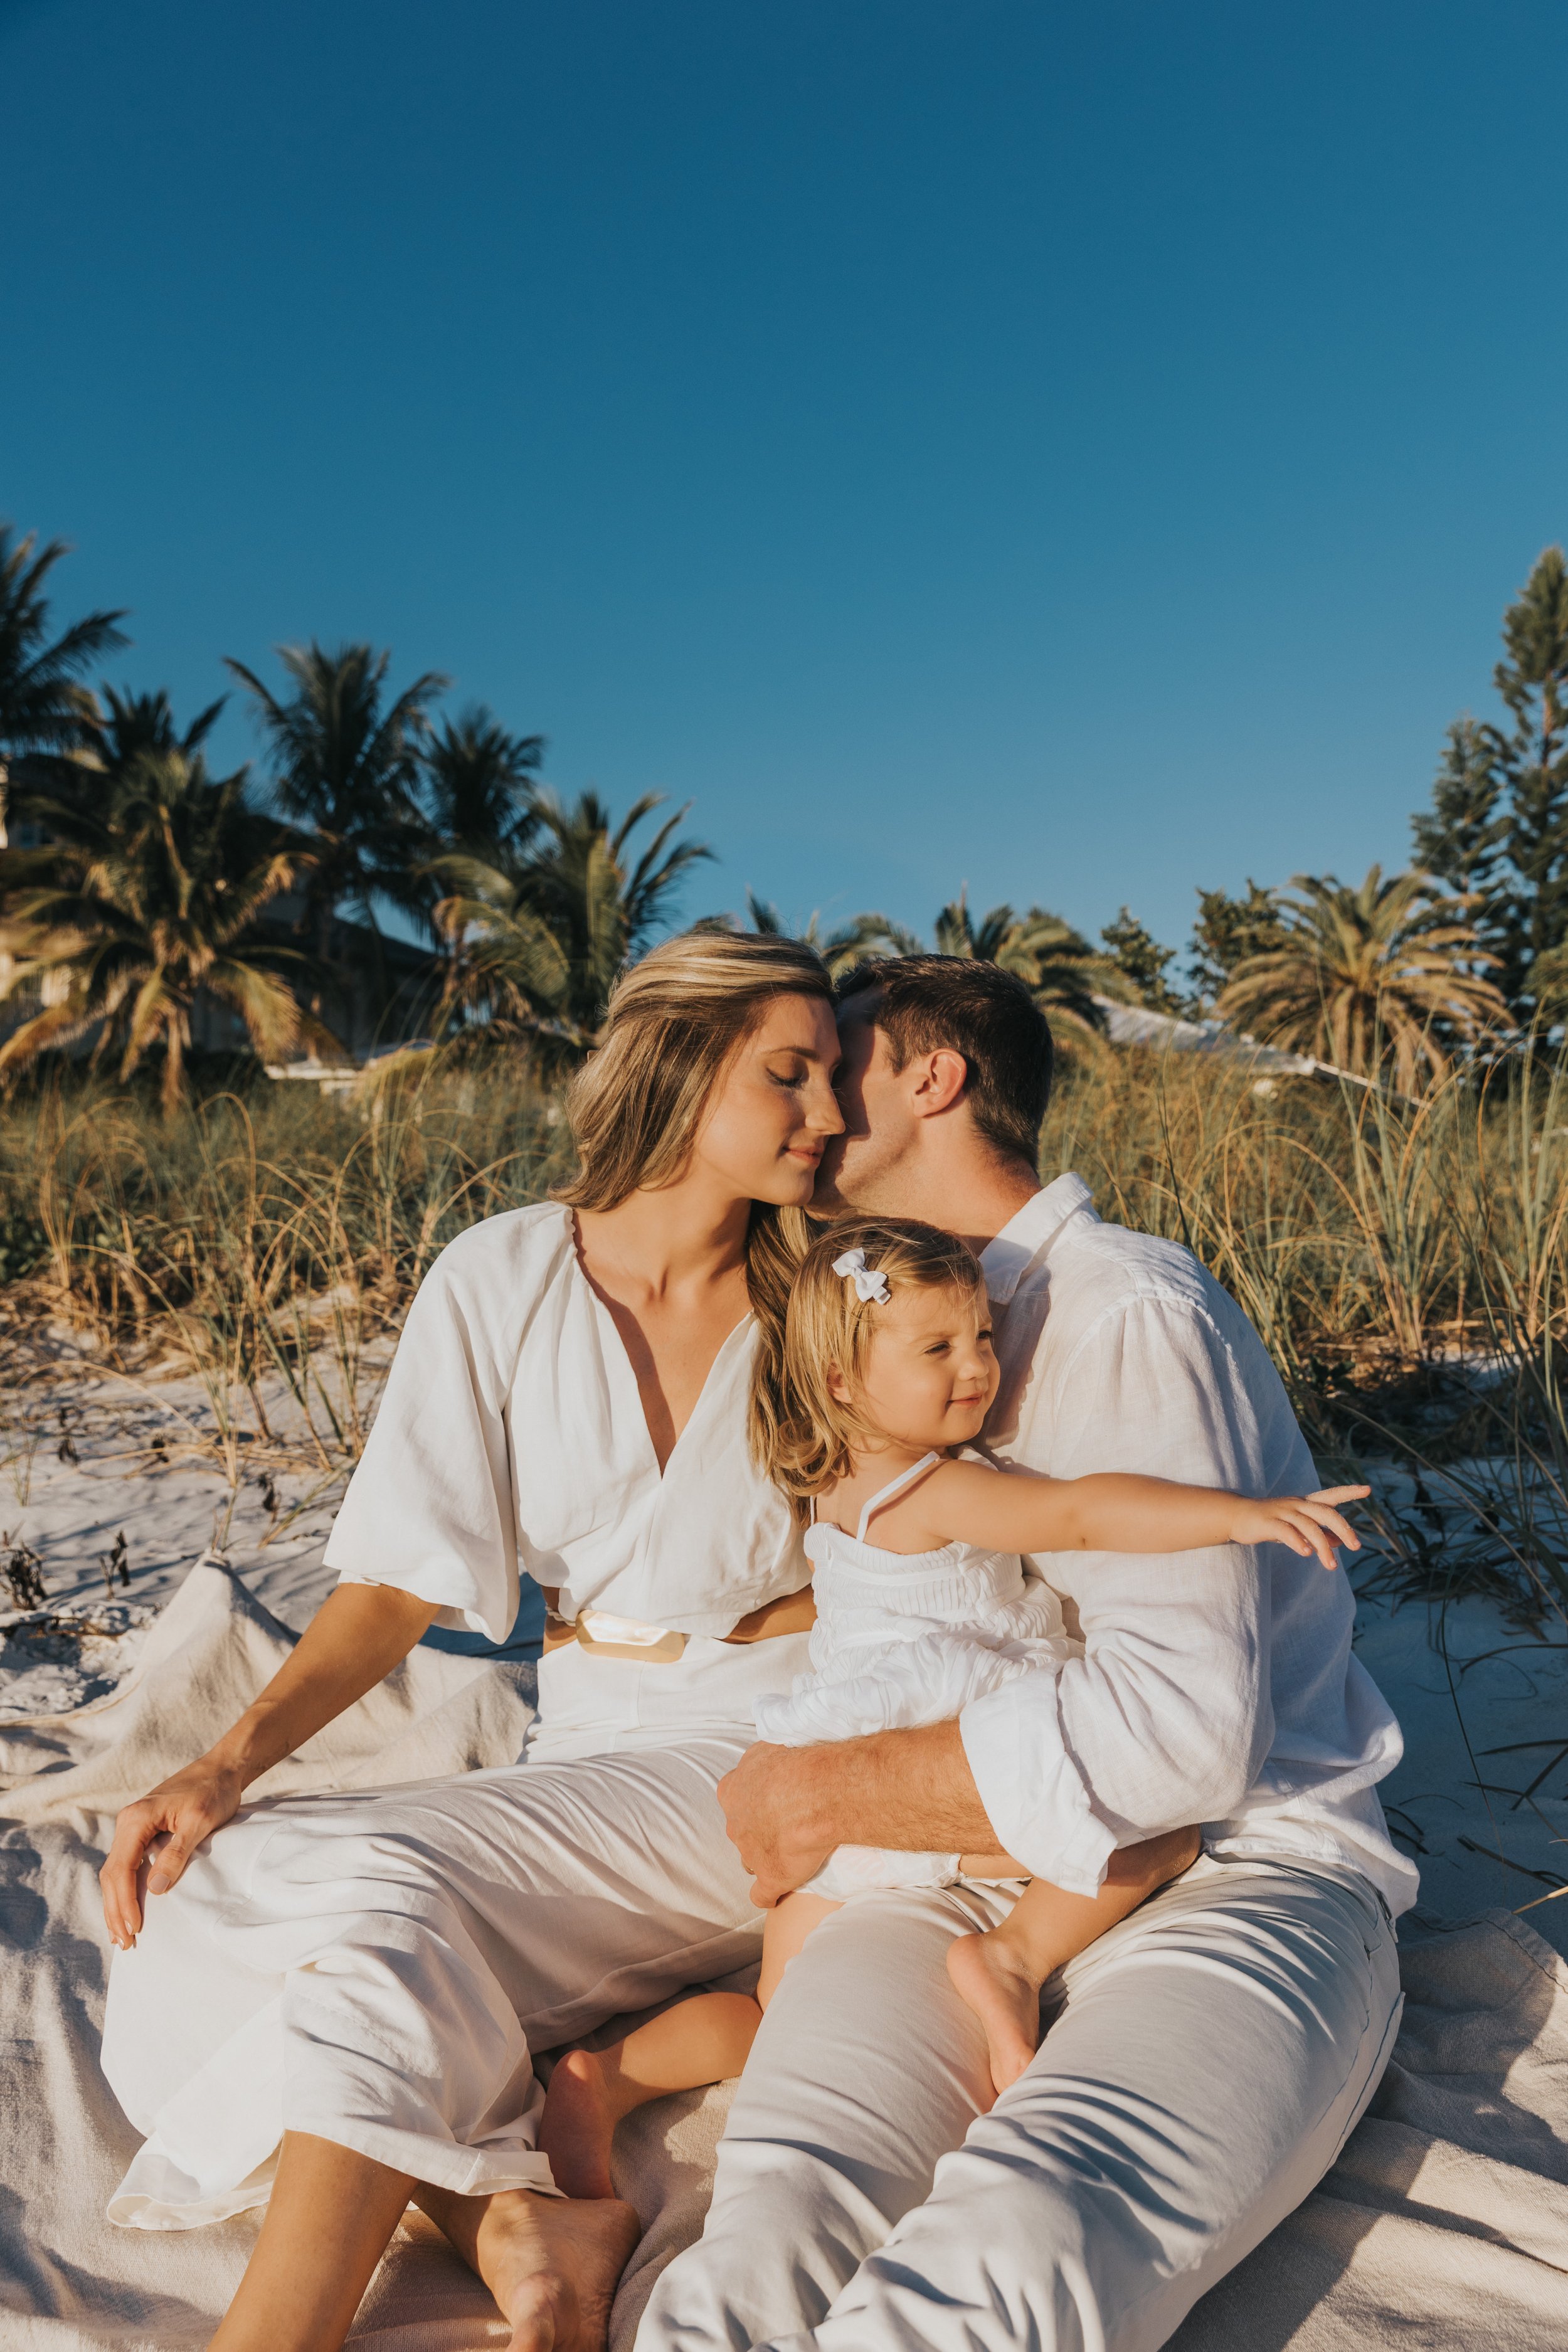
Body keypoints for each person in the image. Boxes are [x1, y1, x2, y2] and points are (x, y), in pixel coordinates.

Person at [637, 954, 1415, 2352]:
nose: (809, 1106)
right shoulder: (899, 1327)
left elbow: (1184, 1738)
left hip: (1233, 1861)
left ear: (931, 1078)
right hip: (953, 1876)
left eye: (840, 1064)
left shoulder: (1118, 1310)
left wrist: (832, 1791)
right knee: (768, 2231)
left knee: (1010, 2254)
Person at [95, 930, 854, 2352]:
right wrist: (224, 1765)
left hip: (769, 1750)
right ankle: (506, 2218)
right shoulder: (499, 1274)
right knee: (202, 1901)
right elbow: (398, 1580)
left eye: (832, 1079)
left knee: (382, 1883)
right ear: (682, 1072)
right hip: (578, 1746)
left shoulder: (830, 1291)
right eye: (790, 1075)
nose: (830, 1115)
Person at [539, 1213, 1368, 2193]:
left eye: (981, 1335)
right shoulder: (932, 1489)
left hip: (839, 1770)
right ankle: (1010, 1960)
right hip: (923, 1750)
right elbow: (1082, 1513)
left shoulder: (839, 1482)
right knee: (1159, 1839)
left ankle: (611, 2073)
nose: (978, 1365)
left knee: (770, 2018)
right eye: (937, 1347)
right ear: (844, 1379)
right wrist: (1236, 1511)